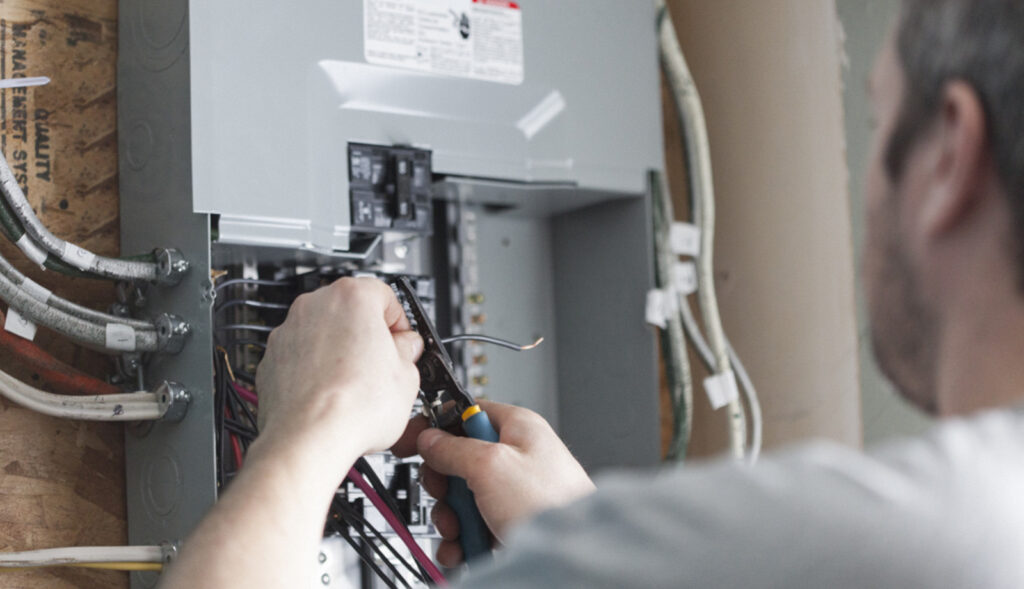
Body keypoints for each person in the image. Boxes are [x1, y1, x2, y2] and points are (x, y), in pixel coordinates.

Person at [159, 0, 1024, 586]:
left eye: (877, 128)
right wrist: (582, 539)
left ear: (948, 156)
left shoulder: (888, 541)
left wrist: (316, 423)